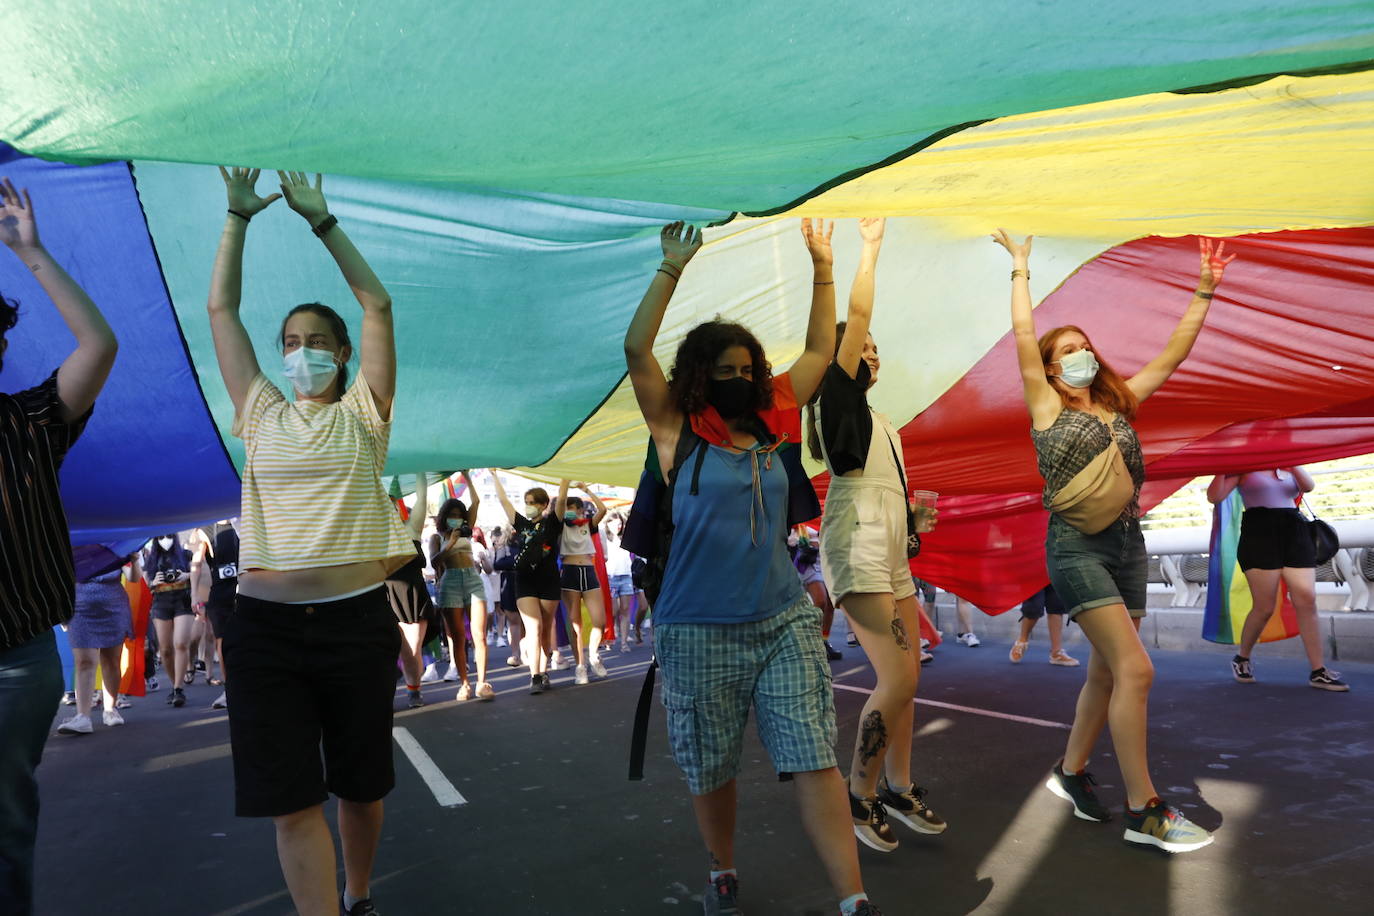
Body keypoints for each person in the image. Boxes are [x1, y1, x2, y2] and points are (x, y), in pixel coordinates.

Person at [625, 218, 882, 916]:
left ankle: (854, 899)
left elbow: (819, 349)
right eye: (725, 373)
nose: (740, 381)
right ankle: (722, 871)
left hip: (782, 622)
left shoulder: (774, 419)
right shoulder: (677, 431)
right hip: (695, 630)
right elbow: (634, 348)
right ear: (699, 378)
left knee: (813, 754)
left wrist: (823, 265)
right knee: (712, 769)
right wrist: (672, 268)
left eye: (748, 370)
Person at [209, 167, 412, 916]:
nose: (304, 352)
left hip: (356, 625)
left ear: (343, 354)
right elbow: (219, 307)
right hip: (262, 630)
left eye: (319, 342)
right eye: (292, 342)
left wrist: (322, 222)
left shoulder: (366, 412)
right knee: (291, 801)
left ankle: (358, 895)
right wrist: (238, 220)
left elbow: (378, 303)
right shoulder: (259, 410)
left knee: (361, 788)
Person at [993, 227, 1234, 853]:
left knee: (1105, 672)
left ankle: (1070, 774)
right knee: (1136, 669)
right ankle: (1144, 809)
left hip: (1128, 545)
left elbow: (1171, 356)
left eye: (1084, 347)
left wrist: (1204, 290)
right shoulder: (1047, 409)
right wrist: (1020, 269)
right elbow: (1023, 338)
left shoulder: (1119, 406)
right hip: (1076, 549)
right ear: (1050, 368)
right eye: (1066, 351)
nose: (1080, 355)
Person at [806, 217, 946, 854]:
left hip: (889, 551)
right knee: (897, 679)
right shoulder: (837, 398)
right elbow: (856, 313)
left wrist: (915, 526)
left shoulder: (883, 421)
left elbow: (893, 499)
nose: (871, 351)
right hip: (857, 545)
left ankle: (898, 785)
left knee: (908, 677)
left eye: (873, 347)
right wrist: (867, 249)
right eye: (862, 346)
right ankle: (857, 797)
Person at [0, 177, 118, 914]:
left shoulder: (29, 423)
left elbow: (100, 344)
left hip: (13, 662)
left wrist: (30, 251)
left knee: (5, 823)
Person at [1206, 468, 1348, 691]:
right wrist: (1222, 469)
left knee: (1306, 598)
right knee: (1264, 606)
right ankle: (1242, 657)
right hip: (1259, 532)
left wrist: (1291, 464)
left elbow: (1308, 486)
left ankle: (1318, 671)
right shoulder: (1244, 465)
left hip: (1294, 529)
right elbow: (1215, 497)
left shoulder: (1289, 463)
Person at [494, 476, 563, 694]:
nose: (529, 506)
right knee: (533, 628)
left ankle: (544, 671)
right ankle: (535, 675)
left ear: (543, 505)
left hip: (549, 581)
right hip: (524, 581)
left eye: (533, 502)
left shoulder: (552, 523)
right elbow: (505, 503)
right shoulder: (522, 524)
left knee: (544, 630)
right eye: (527, 501)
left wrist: (565, 477)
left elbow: (560, 502)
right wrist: (494, 476)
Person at [429, 471, 493, 700]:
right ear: (445, 517)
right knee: (457, 637)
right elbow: (435, 562)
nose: (456, 518)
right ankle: (464, 683)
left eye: (459, 515)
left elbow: (475, 501)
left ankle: (482, 683)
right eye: (452, 515)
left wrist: (466, 475)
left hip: (472, 579)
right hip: (450, 581)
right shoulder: (438, 537)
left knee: (479, 634)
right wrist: (450, 543)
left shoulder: (468, 528)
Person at [390, 473, 437, 708]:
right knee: (385, 651)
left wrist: (419, 469)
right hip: (382, 599)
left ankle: (413, 690)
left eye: (393, 503)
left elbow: (422, 497)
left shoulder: (412, 530)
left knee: (411, 650)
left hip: (412, 599)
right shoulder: (375, 534)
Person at [555, 480, 609, 683]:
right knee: (575, 624)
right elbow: (559, 505)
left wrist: (586, 490)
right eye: (569, 508)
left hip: (589, 570)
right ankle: (580, 666)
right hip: (569, 571)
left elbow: (603, 509)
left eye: (576, 509)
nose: (572, 512)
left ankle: (594, 655)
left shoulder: (588, 524)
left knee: (599, 621)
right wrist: (565, 486)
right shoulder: (561, 526)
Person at [143, 533, 195, 706]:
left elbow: (198, 573)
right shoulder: (150, 559)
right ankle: (174, 686)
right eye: (161, 536)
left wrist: (186, 576)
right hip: (160, 603)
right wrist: (152, 581)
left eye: (169, 535)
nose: (165, 539)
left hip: (183, 601)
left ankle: (179, 689)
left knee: (180, 643)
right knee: (165, 650)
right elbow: (145, 582)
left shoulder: (186, 554)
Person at [192, 520, 240, 709]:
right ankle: (229, 690)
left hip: (247, 587)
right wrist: (195, 595)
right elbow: (196, 562)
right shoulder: (206, 529)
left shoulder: (245, 519)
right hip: (220, 593)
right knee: (223, 643)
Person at [1010, 584, 1079, 667]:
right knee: (1034, 606)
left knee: (1057, 606)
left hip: (1055, 572)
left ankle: (1056, 652)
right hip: (1035, 572)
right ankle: (1022, 641)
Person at [603, 513, 638, 654]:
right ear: (608, 524)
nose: (617, 526)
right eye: (614, 523)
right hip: (610, 577)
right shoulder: (603, 536)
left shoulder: (626, 536)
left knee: (625, 609)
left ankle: (623, 642)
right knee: (613, 610)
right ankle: (609, 635)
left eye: (619, 524)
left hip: (626, 576)